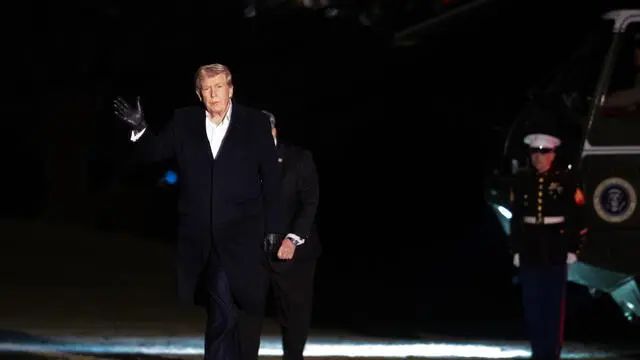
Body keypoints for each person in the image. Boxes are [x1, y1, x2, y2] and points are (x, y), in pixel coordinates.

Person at [112, 63, 288, 360]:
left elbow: (271, 180)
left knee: (240, 310)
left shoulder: (255, 123)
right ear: (198, 93)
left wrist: (275, 229)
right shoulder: (184, 121)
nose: (213, 94)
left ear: (230, 89)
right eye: (206, 89)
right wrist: (139, 128)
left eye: (219, 87)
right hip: (205, 237)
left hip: (245, 236)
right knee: (221, 309)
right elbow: (154, 153)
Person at [508, 131, 587, 360]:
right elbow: (516, 218)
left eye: (544, 152)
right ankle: (538, 351)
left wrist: (573, 248)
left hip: (555, 244)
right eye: (535, 151)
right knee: (532, 302)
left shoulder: (566, 180)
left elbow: (578, 216)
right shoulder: (522, 179)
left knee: (553, 303)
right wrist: (516, 249)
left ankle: (551, 352)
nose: (538, 157)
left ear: (553, 154)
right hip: (531, 243)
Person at [261, 110, 320, 360]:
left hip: (294, 252)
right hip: (255, 251)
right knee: (242, 312)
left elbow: (309, 201)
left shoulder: (298, 158)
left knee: (294, 315)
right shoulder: (238, 161)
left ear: (273, 131)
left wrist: (293, 238)